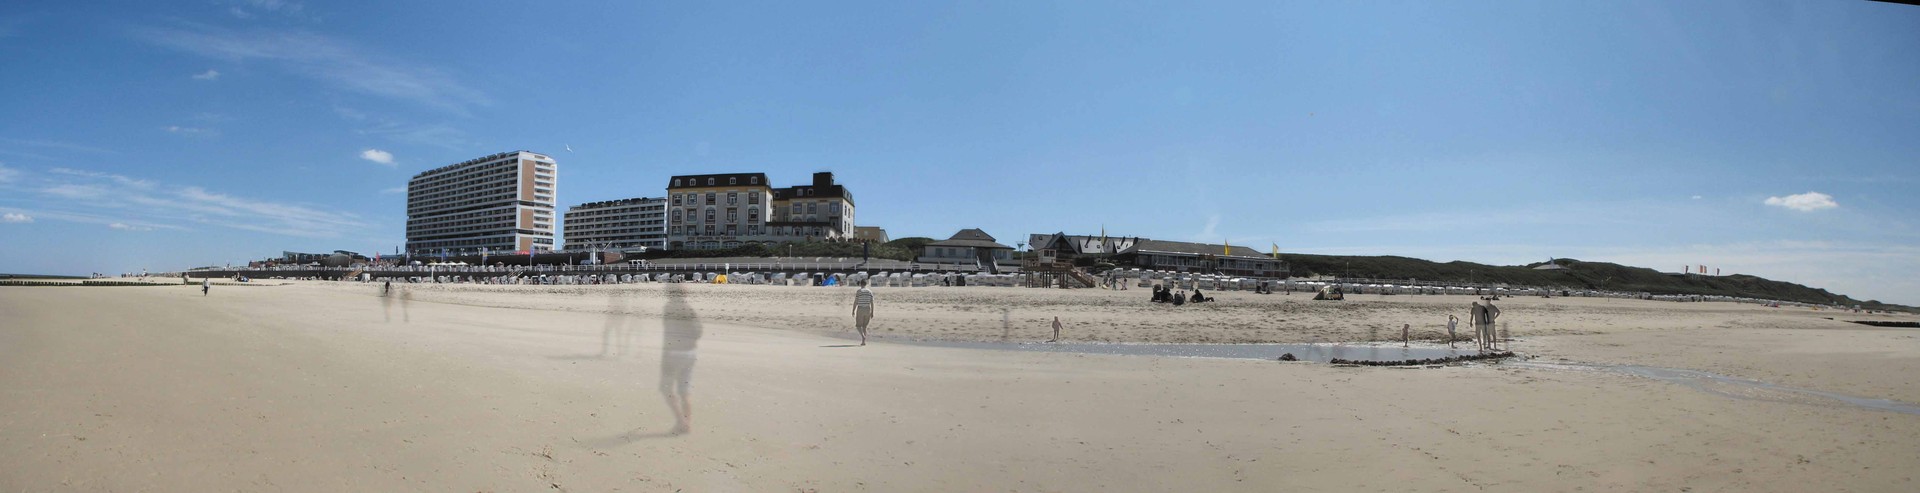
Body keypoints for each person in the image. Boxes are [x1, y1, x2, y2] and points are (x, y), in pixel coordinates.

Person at [852, 279, 876, 346]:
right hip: (868, 309)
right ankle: (863, 341)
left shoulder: (859, 291)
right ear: (866, 284)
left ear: (860, 284)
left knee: (858, 325)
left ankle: (863, 336)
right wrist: (872, 312)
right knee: (864, 326)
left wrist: (853, 310)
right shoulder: (870, 292)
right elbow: (872, 303)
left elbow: (856, 302)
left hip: (860, 309)